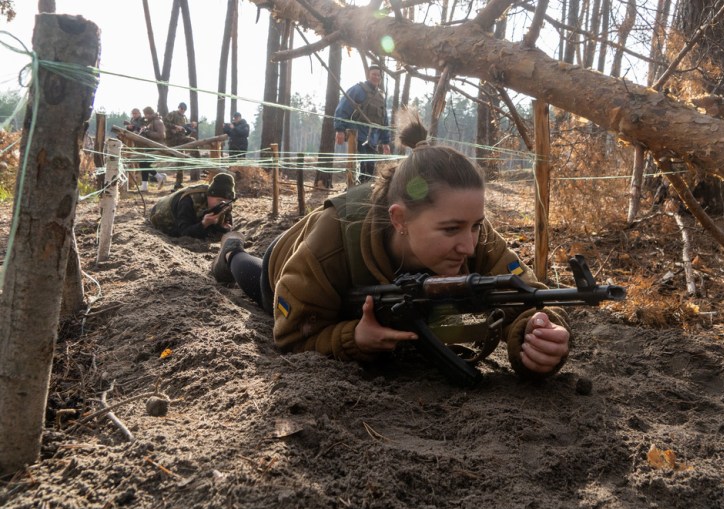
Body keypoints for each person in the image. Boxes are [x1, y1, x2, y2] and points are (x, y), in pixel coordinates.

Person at [210, 112, 570, 380]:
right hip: (287, 263)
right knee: (250, 272)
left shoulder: (471, 230)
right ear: (399, 220)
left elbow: (527, 296)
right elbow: (291, 336)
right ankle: (231, 250)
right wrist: (353, 337)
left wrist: (537, 333)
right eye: (450, 230)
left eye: (475, 226)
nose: (468, 245)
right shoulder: (331, 242)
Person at [334, 64, 392, 183]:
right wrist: (339, 129)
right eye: (373, 74)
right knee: (364, 163)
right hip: (358, 135)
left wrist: (386, 142)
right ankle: (355, 188)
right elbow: (342, 108)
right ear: (368, 75)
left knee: (370, 166)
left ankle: (363, 189)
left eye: (378, 75)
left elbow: (384, 120)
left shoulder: (381, 97)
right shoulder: (358, 89)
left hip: (373, 138)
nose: (376, 77)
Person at [149, 172, 235, 239]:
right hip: (160, 213)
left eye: (227, 202)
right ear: (209, 195)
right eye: (219, 200)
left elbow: (224, 228)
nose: (223, 204)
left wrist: (223, 228)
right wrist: (203, 224)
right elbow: (183, 232)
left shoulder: (226, 204)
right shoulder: (189, 200)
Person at [165, 102, 196, 190]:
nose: (182, 110)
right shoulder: (173, 114)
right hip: (172, 139)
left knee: (181, 161)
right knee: (192, 141)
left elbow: (186, 132)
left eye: (184, 109)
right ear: (178, 107)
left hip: (181, 140)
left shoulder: (185, 118)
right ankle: (196, 158)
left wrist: (191, 127)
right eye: (181, 108)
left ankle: (178, 183)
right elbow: (165, 122)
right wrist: (175, 127)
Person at [138, 106, 167, 192]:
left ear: (149, 113)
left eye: (146, 114)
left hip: (156, 147)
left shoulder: (158, 121)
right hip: (150, 146)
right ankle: (144, 187)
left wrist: (147, 131)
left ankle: (160, 177)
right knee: (143, 164)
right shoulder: (151, 121)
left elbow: (161, 135)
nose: (145, 116)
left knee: (144, 164)